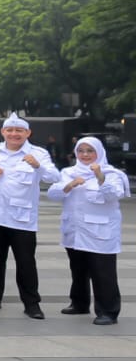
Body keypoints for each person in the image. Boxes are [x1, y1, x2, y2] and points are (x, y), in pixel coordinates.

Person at [0, 114, 60, 318]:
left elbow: (55, 177)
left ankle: (32, 304)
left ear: (27, 133)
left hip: (21, 219)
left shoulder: (38, 153)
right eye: (10, 130)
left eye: (19, 131)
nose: (14, 134)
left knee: (26, 263)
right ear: (3, 132)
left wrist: (37, 166)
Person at [47, 136, 126, 325]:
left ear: (99, 153)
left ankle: (108, 311)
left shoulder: (112, 173)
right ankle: (79, 303)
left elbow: (114, 195)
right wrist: (70, 185)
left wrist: (100, 177)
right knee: (78, 269)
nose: (85, 155)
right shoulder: (68, 172)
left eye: (90, 151)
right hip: (74, 230)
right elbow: (53, 194)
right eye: (81, 151)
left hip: (100, 232)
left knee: (102, 272)